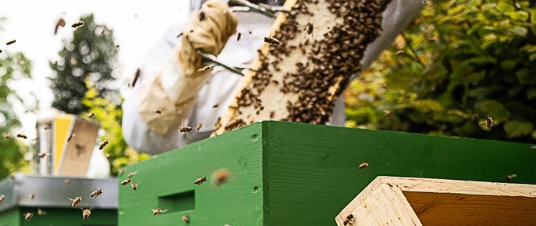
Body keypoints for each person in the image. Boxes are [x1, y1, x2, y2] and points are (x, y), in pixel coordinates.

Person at [123, 0, 426, 154]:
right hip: (214, 189)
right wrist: (183, 69)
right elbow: (141, 135)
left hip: (308, 177)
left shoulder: (321, 20)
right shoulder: (177, 37)